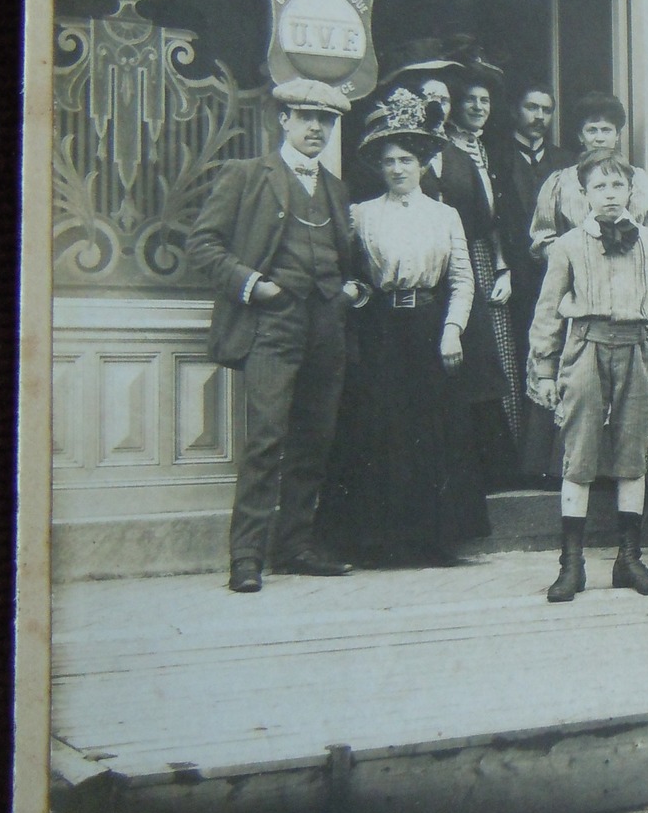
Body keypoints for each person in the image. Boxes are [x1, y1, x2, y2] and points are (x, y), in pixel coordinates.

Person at [187, 79, 369, 593]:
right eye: (306, 116)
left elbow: (346, 258)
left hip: (327, 327)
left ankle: (294, 546)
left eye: (326, 120)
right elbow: (203, 246)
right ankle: (246, 558)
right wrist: (253, 285)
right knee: (266, 440)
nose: (317, 127)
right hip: (272, 326)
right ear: (283, 119)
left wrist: (352, 289)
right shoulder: (246, 176)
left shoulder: (336, 187)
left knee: (316, 441)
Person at [316, 87, 489, 566]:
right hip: (380, 329)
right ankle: (379, 541)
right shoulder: (361, 215)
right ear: (379, 166)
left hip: (430, 325)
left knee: (430, 429)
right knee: (379, 429)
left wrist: (452, 329)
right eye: (389, 161)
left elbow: (462, 280)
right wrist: (356, 292)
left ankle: (432, 540)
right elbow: (349, 271)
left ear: (422, 164)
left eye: (407, 160)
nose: (397, 169)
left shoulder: (444, 214)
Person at [528, 152, 648, 602]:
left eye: (616, 186)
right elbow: (547, 312)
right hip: (585, 348)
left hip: (637, 351)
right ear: (584, 196)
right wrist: (544, 371)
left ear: (630, 192)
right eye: (598, 188)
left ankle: (629, 558)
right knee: (579, 451)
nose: (608, 195)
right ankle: (572, 564)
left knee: (632, 452)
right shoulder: (566, 246)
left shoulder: (647, 241)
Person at [421, 51, 518, 488]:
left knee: (486, 357)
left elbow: (489, 216)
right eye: (469, 100)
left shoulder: (474, 154)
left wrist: (501, 266)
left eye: (485, 100)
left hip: (474, 258)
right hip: (433, 264)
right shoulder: (428, 152)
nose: (477, 107)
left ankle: (495, 462)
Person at [487, 81, 575, 484]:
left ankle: (550, 459)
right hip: (514, 274)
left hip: (557, 276)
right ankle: (519, 459)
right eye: (531, 107)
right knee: (519, 356)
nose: (539, 116)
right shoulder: (496, 156)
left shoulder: (565, 163)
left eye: (546, 109)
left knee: (556, 358)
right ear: (515, 110)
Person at [529, 91, 648, 255]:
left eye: (606, 130)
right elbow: (542, 239)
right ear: (581, 136)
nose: (599, 138)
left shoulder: (640, 181)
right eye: (592, 130)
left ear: (617, 136)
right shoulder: (559, 183)